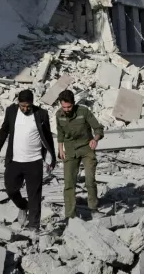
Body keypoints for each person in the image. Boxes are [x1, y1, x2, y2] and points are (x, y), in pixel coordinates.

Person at [0, 89, 56, 231]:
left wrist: (51, 159)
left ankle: (34, 225)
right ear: (18, 103)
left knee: (34, 194)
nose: (25, 109)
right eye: (23, 106)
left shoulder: (41, 114)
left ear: (32, 103)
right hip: (15, 160)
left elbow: (48, 138)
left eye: (28, 106)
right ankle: (23, 206)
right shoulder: (11, 111)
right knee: (11, 189)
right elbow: (4, 130)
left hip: (34, 161)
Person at [55, 89, 105, 219]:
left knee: (89, 180)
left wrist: (95, 139)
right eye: (64, 107)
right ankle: (70, 215)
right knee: (69, 183)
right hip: (70, 150)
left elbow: (98, 128)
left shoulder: (83, 111)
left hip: (86, 148)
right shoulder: (59, 114)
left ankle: (93, 209)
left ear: (74, 103)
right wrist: (60, 149)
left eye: (69, 106)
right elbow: (60, 133)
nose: (66, 109)